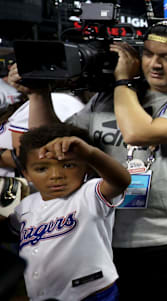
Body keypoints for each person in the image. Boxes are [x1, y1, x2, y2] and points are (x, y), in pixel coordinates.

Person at [10, 21, 167, 301]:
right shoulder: (106, 98)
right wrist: (38, 93)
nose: (155, 64)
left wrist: (123, 82)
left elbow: (138, 133)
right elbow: (48, 145)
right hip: (96, 236)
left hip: (158, 242)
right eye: (148, 54)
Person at [7, 124, 130, 301]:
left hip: (93, 294)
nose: (56, 175)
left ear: (86, 166)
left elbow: (121, 180)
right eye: (42, 168)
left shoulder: (89, 194)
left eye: (68, 165)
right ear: (26, 173)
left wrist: (90, 154)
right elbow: (8, 231)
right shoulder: (25, 206)